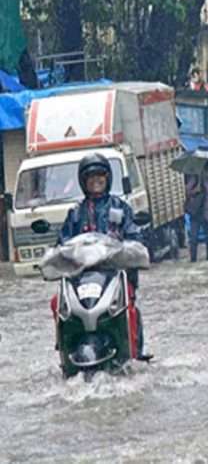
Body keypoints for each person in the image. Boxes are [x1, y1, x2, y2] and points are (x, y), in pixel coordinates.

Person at [55, 153, 146, 356]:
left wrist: (133, 249)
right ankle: (63, 346)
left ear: (108, 177)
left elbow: (133, 235)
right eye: (91, 177)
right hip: (81, 277)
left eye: (100, 175)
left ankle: (136, 351)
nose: (96, 180)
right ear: (83, 181)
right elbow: (63, 241)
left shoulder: (120, 207)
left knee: (129, 306)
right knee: (57, 303)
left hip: (114, 274)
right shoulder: (76, 213)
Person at [186, 162, 208, 262]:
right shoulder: (195, 178)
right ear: (205, 170)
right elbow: (187, 191)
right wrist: (196, 189)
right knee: (193, 238)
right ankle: (193, 259)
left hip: (206, 214)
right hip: (195, 213)